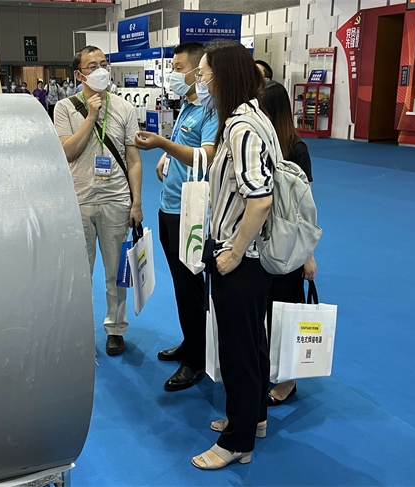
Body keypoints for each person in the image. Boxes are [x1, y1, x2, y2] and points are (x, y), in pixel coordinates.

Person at [189, 40, 277, 470]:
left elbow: (259, 199)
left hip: (242, 258)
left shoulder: (241, 128)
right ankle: (252, 417)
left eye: (204, 74)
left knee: (238, 352)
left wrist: (234, 252)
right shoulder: (253, 118)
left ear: (223, 77)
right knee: (252, 343)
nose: (200, 82)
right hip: (253, 259)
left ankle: (236, 441)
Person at [134, 42, 219, 392]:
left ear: (198, 72)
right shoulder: (187, 104)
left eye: (180, 67)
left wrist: (163, 146)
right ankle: (191, 342)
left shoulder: (212, 112)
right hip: (169, 206)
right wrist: (167, 156)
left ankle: (197, 359)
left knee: (190, 286)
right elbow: (184, 145)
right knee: (181, 285)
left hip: (191, 212)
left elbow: (206, 155)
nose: (174, 73)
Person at [54, 45, 144, 356]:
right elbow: (68, 152)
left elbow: (133, 159)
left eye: (104, 64)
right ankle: (77, 330)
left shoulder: (124, 108)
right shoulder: (64, 108)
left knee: (115, 272)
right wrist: (91, 115)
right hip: (78, 201)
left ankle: (115, 328)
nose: (101, 70)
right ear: (79, 75)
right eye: (92, 66)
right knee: (79, 274)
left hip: (116, 200)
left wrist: (136, 202)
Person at [261, 81, 317, 406]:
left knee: (286, 313)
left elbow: (305, 207)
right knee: (265, 312)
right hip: (263, 241)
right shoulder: (261, 144)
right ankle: (268, 368)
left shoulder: (297, 150)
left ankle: (289, 380)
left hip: (289, 244)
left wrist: (308, 254)